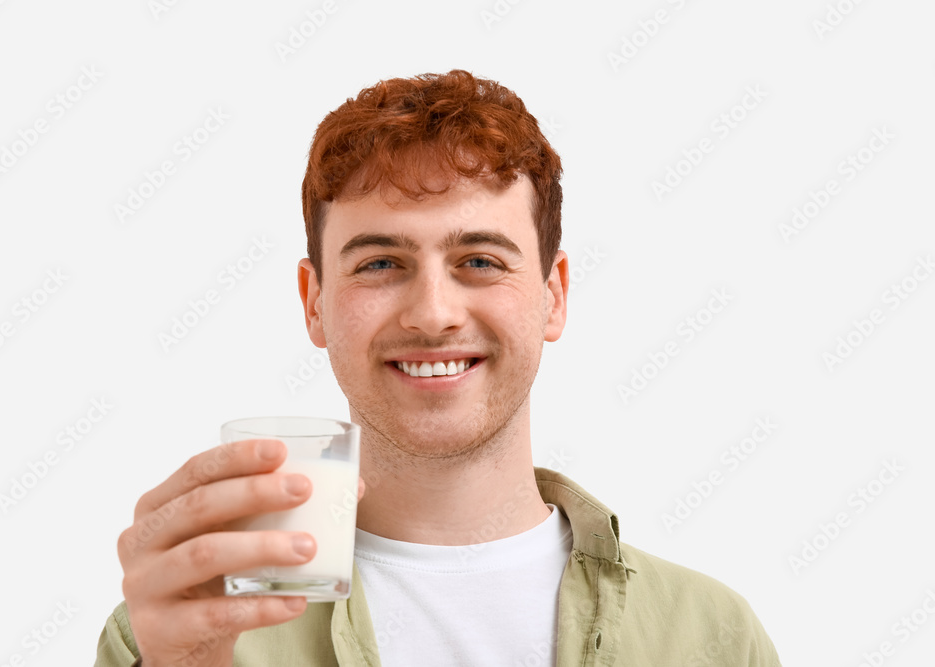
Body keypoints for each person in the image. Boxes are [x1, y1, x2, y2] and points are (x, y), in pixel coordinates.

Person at [95, 69, 782, 666]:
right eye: (380, 263)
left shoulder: (713, 637)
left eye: (479, 260)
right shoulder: (182, 625)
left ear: (554, 296)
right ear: (314, 303)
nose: (432, 313)